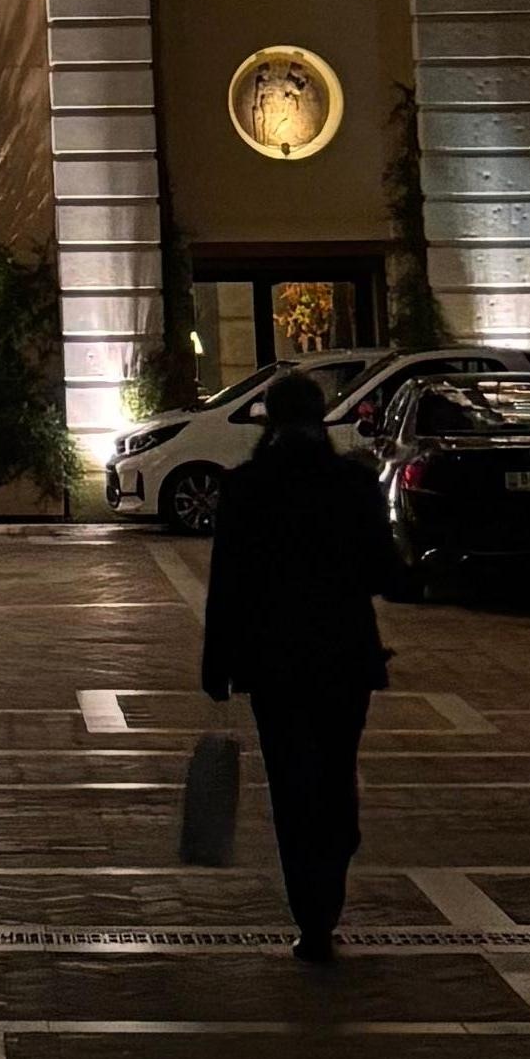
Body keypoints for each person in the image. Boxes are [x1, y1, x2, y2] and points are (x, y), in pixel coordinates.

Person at [194, 370, 401, 961]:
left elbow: (227, 586)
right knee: (336, 770)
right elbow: (385, 574)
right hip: (342, 655)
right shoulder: (352, 484)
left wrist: (217, 663)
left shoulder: (246, 487)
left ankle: (312, 916)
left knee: (289, 783)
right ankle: (331, 874)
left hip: (273, 659)